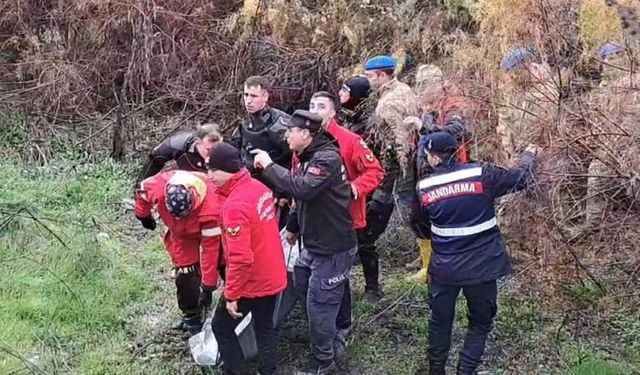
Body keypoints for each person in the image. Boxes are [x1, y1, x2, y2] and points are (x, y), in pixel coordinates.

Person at [413, 132, 538, 374]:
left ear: (434, 159)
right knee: (480, 323)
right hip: (482, 267)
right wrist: (529, 155)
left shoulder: (423, 187)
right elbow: (522, 178)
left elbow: (419, 225)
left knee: (440, 323)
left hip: (444, 270)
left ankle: (436, 371)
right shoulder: (482, 174)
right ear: (457, 152)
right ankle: (466, 370)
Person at [252, 110, 357, 375]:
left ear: (306, 135)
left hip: (332, 246)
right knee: (301, 279)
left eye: (291, 131)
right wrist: (293, 226)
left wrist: (269, 166)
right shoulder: (307, 156)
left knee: (319, 304)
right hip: (313, 242)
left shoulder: (327, 159)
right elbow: (303, 198)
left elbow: (303, 189)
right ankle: (333, 330)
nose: (286, 135)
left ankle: (325, 359)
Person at [206, 143, 287, 375]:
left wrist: (232, 295)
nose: (209, 176)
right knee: (264, 324)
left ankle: (235, 370)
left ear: (228, 170)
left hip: (253, 281)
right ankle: (269, 370)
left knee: (221, 327)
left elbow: (240, 259)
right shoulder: (258, 187)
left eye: (213, 170)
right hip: (273, 273)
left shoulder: (235, 206)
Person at [309, 91, 384, 302]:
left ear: (333, 112)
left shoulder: (349, 140)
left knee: (361, 248)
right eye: (312, 106)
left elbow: (375, 171)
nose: (315, 111)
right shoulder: (303, 138)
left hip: (346, 211)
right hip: (315, 214)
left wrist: (354, 188)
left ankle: (371, 288)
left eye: (321, 107)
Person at [134, 170, 222, 334]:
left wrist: (208, 287)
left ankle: (233, 304)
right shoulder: (157, 186)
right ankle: (192, 315)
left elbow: (211, 251)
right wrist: (143, 215)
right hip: (181, 235)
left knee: (223, 263)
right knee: (185, 274)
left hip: (206, 229)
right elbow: (142, 191)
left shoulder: (212, 208)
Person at [230, 75, 292, 228]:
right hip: (249, 185)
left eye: (253, 96)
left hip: (275, 191)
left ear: (265, 97)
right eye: (246, 95)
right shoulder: (244, 121)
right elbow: (237, 152)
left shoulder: (281, 124)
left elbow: (294, 159)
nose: (248, 100)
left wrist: (283, 192)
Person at [134, 124, 223, 188]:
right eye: (208, 149)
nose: (213, 153)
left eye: (217, 148)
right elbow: (154, 158)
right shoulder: (177, 144)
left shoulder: (228, 152)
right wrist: (141, 187)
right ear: (197, 142)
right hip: (182, 181)